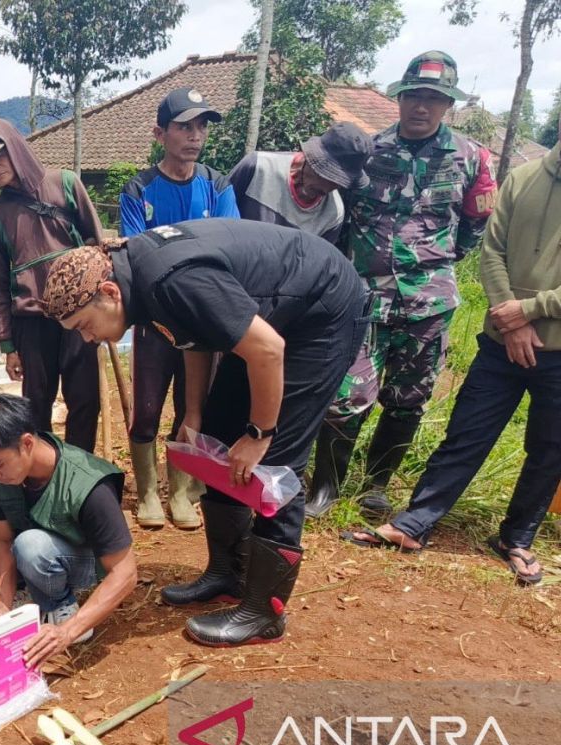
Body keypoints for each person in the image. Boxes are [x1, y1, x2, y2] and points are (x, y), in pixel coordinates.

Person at [40, 218, 370, 646]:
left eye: (84, 325)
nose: (87, 339)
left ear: (108, 293)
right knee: (215, 441)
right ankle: (227, 572)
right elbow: (195, 336)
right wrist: (194, 412)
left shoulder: (172, 280)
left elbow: (268, 349)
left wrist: (260, 432)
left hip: (318, 315)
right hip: (269, 319)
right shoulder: (142, 281)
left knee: (275, 470)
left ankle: (263, 613)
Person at [342, 125, 561, 583]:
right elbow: (490, 249)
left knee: (549, 447)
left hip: (556, 347)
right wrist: (511, 318)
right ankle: (414, 523)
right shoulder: (523, 179)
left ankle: (517, 537)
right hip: (501, 340)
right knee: (466, 434)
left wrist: (528, 310)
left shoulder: (483, 162)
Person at [305, 51, 497, 519]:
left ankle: (377, 486)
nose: (422, 107)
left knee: (408, 399)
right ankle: (326, 488)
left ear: (448, 104)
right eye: (415, 95)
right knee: (346, 395)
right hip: (364, 298)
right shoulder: (369, 150)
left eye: (434, 98)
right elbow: (341, 218)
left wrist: (436, 266)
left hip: (428, 305)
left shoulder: (472, 158)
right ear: (400, 97)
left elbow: (476, 222)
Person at [0, 390, 138, 658]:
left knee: (31, 545)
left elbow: (125, 572)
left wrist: (68, 631)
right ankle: (24, 595)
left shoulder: (89, 484)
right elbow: (1, 540)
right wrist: (2, 606)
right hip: (28, 549)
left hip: (77, 560)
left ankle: (61, 605)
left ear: (26, 444)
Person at [119, 87, 239, 530]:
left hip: (204, 322)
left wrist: (168, 248)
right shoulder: (139, 189)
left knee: (194, 408)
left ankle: (183, 491)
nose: (195, 136)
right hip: (155, 322)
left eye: (202, 126)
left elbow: (226, 243)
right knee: (147, 408)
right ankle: (148, 490)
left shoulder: (218, 184)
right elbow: (136, 254)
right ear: (160, 133)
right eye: (184, 126)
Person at [0, 119, 103, 452]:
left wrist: (102, 301)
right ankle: (43, 473)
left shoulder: (65, 184)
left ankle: (81, 472)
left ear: (15, 149)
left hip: (81, 314)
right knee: (36, 405)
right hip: (32, 322)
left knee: (85, 399)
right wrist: (7, 345)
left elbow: (97, 244)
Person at [228, 121, 373, 242]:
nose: (327, 188)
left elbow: (314, 267)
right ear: (311, 158)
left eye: (339, 183)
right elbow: (217, 220)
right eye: (326, 174)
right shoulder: (258, 167)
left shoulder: (333, 214)